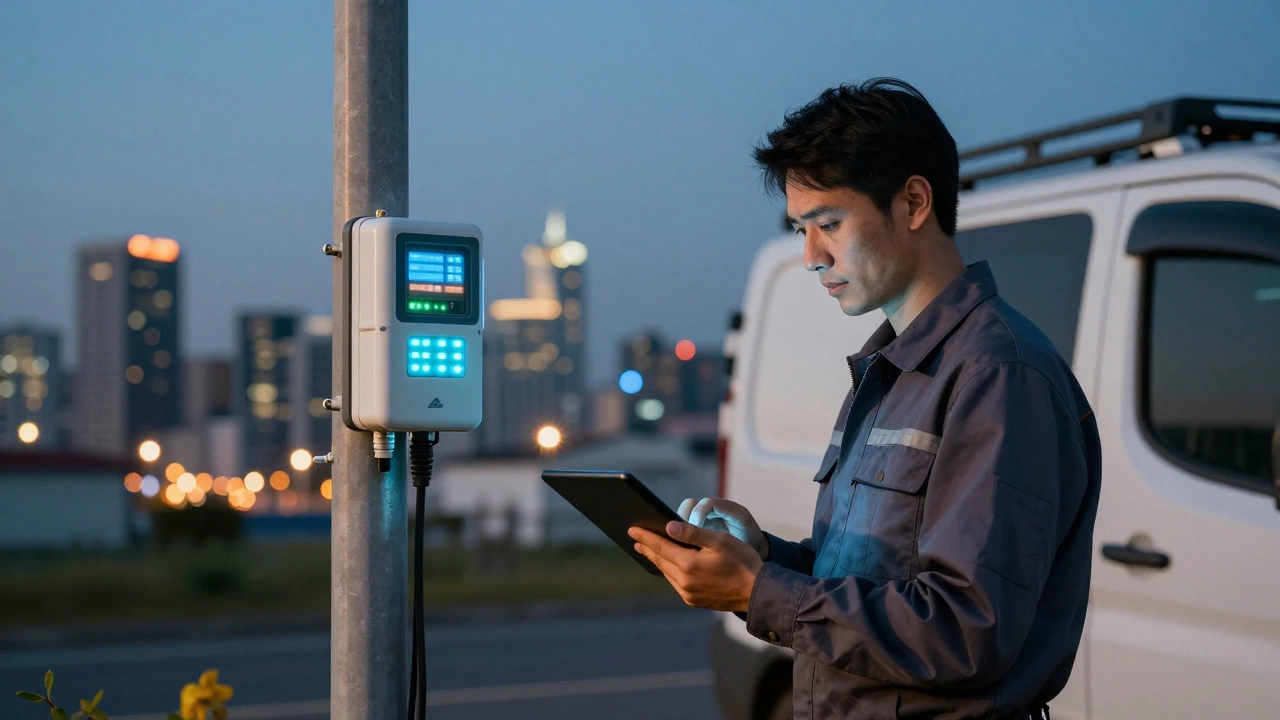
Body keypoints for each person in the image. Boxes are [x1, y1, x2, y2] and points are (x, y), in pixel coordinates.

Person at [629, 78, 1101, 720]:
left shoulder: (998, 375)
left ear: (912, 202)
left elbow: (966, 631)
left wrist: (759, 591)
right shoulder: (888, 372)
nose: (810, 256)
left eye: (828, 223)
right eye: (801, 228)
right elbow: (871, 580)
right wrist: (761, 556)